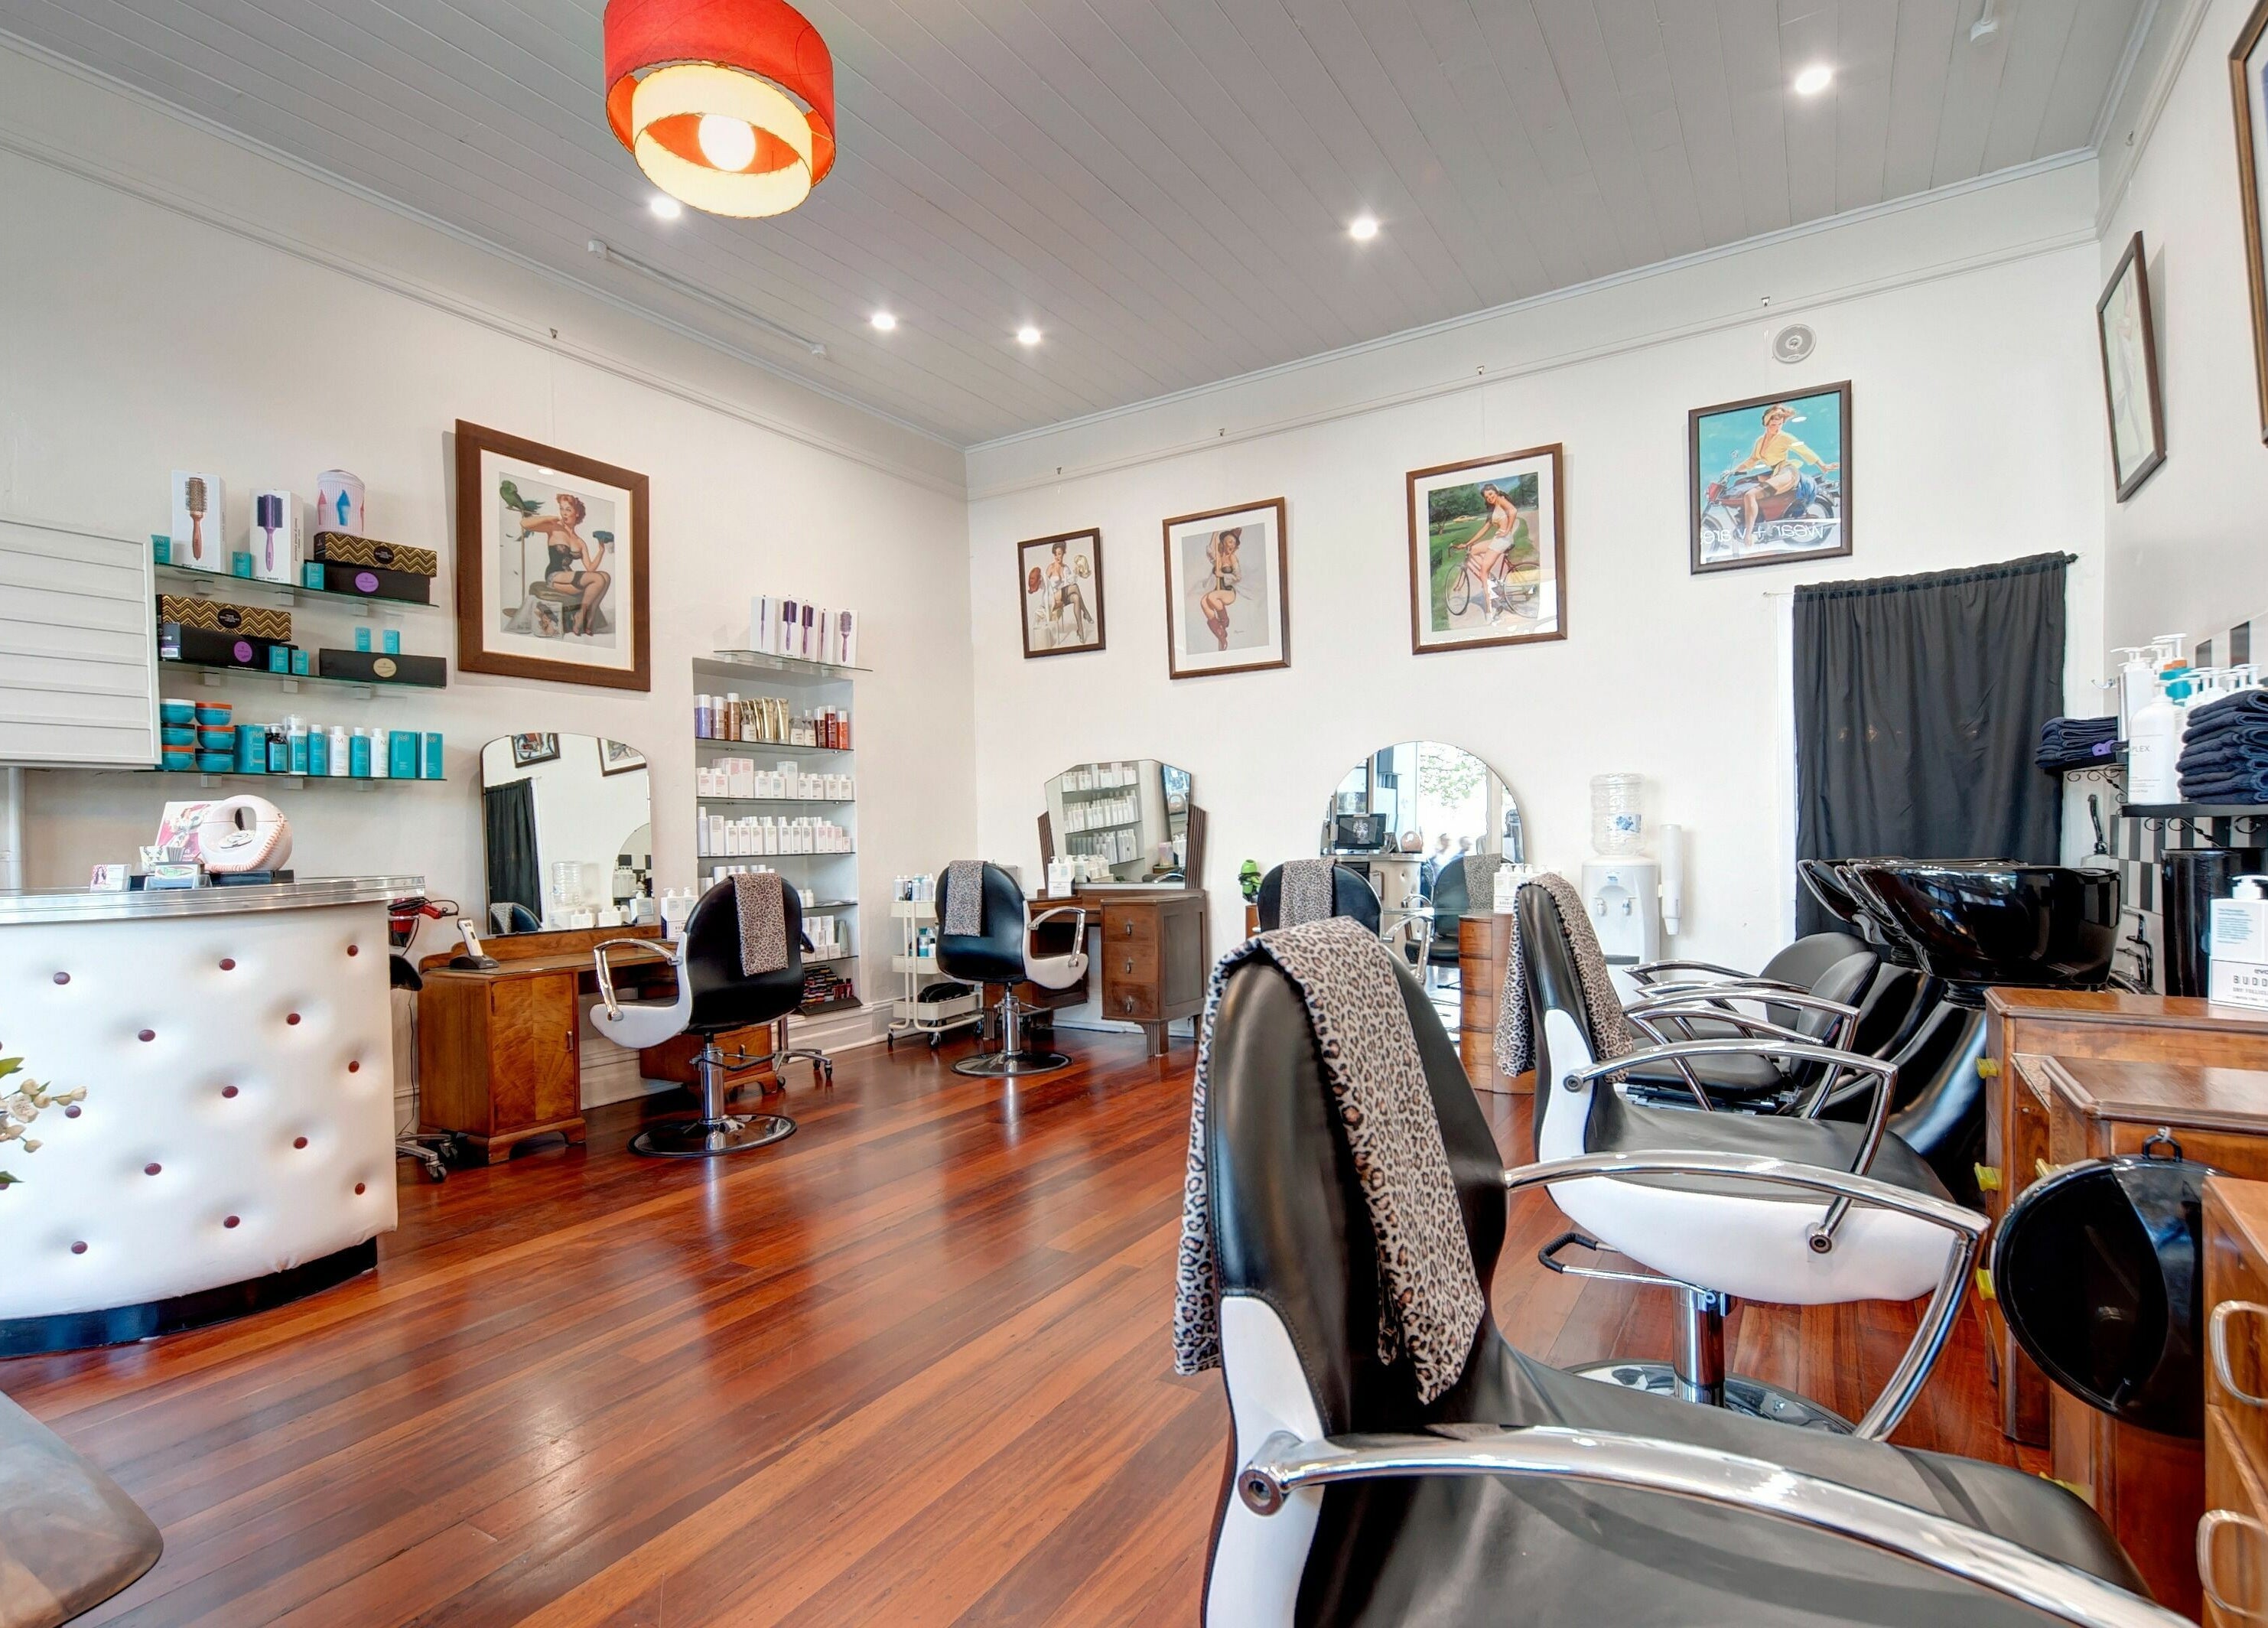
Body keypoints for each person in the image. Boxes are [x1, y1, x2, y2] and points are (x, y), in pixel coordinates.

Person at [1732, 403, 1838, 543]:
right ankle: (1761, 521)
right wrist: (1733, 471)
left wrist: (1823, 465)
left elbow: (1803, 450)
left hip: (1787, 472)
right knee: (1743, 484)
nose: (1776, 428)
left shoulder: (1784, 437)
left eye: (1779, 425)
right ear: (1766, 423)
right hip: (1775, 472)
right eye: (1773, 425)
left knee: (1750, 495)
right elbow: (1752, 460)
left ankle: (1748, 535)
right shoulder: (1760, 441)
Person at [520, 492, 611, 637]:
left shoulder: (580, 542)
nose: (564, 513)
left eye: (568, 509)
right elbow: (524, 524)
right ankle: (581, 617)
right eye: (562, 509)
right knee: (598, 579)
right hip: (555, 576)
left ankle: (591, 615)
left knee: (605, 576)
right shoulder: (554, 528)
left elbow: (590, 568)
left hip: (569, 579)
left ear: (577, 514)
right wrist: (550, 518)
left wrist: (601, 551)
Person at [1461, 484, 1529, 623]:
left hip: (1503, 539)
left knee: (1483, 571)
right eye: (1487, 497)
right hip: (1497, 539)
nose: (1490, 498)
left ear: (1496, 493)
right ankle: (1491, 582)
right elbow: (1483, 530)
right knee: (1474, 550)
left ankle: (1490, 609)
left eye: (1491, 494)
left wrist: (1508, 530)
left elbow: (1513, 511)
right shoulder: (1492, 510)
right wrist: (1467, 543)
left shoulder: (1501, 499)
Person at [1199, 528, 1241, 650]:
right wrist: (1214, 534)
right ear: (1223, 543)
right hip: (1218, 591)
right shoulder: (1218, 558)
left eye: (1234, 543)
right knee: (1203, 602)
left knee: (1212, 597)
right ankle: (1221, 635)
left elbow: (1238, 577)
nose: (1232, 545)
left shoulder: (1233, 558)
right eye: (1230, 542)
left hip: (1228, 592)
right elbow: (1210, 552)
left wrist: (1222, 575)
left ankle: (1224, 620)